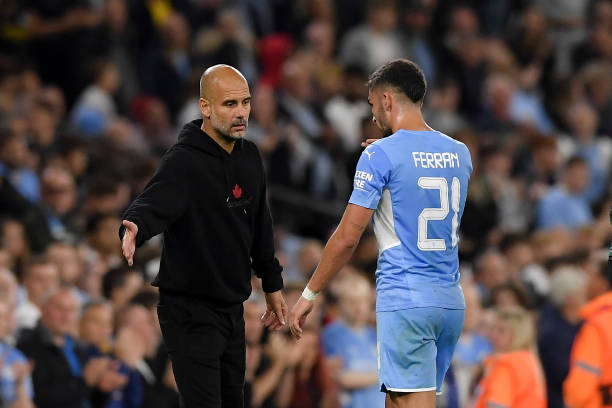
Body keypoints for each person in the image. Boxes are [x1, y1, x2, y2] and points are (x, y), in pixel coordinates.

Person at [289, 59, 473, 408]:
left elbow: (347, 238)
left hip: (406, 298)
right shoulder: (460, 153)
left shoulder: (380, 155)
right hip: (449, 299)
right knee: (397, 400)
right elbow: (418, 178)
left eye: (373, 104)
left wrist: (309, 294)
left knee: (410, 402)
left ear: (387, 100)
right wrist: (386, 153)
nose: (373, 115)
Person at [119, 64, 287, 408]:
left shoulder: (251, 156)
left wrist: (272, 283)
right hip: (189, 309)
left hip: (232, 306)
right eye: (230, 104)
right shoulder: (183, 161)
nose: (241, 113)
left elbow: (260, 225)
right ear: (205, 107)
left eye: (245, 102)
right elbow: (153, 202)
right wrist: (134, 225)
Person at [473, 306, 546, 408]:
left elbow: (497, 405)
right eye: (493, 329)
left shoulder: (506, 365)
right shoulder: (528, 360)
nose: (493, 335)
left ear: (518, 335)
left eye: (501, 331)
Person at [563, 257, 612, 408]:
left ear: (603, 283)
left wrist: (572, 400)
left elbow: (583, 382)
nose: (587, 283)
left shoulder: (598, 324)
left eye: (592, 277)